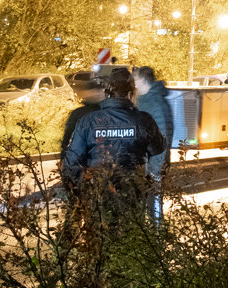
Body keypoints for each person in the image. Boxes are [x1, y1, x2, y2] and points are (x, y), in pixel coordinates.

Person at [61, 67, 166, 204]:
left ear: (106, 93)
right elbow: (158, 147)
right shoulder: (143, 120)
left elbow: (71, 162)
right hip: (132, 201)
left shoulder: (88, 121)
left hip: (99, 201)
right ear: (130, 94)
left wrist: (83, 191)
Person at [134, 66, 173, 223]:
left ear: (143, 80)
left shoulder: (154, 104)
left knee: (154, 207)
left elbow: (162, 138)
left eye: (135, 79)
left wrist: (155, 170)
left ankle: (157, 241)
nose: (133, 83)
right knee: (142, 208)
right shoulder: (143, 101)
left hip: (152, 168)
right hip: (143, 166)